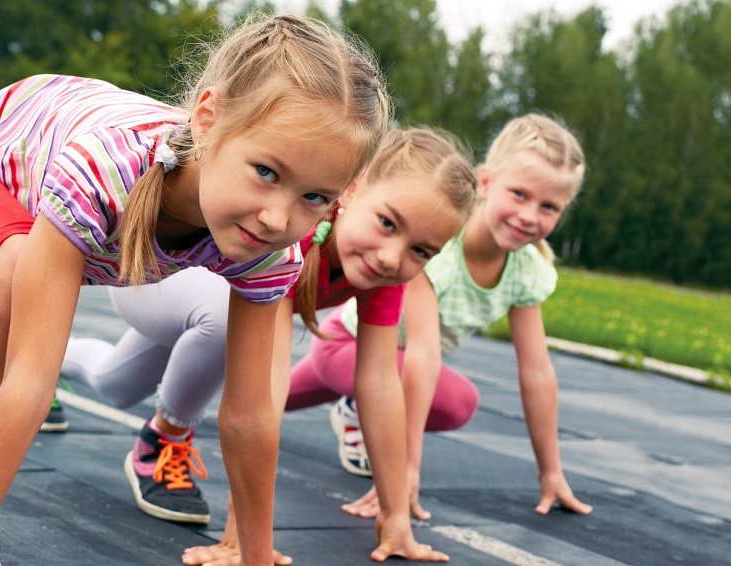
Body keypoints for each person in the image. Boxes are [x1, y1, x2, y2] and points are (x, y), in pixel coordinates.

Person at [0, 14, 391, 565]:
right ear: (207, 120)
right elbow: (29, 381)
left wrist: (254, 556)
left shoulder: (273, 249)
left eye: (314, 197)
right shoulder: (108, 170)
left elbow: (252, 414)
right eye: (266, 172)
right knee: (13, 274)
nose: (279, 217)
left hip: (16, 211)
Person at [63, 128, 478, 563]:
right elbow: (266, 388)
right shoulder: (291, 237)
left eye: (421, 251)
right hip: (148, 279)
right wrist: (242, 534)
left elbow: (379, 385)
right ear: (353, 192)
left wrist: (397, 518)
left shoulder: (385, 273)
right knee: (231, 327)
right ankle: (164, 437)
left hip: (198, 309)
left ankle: (60, 364)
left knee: (114, 384)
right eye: (388, 223)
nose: (394, 256)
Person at [286, 113, 594, 527]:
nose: (529, 215)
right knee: (447, 396)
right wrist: (403, 468)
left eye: (549, 207)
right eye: (519, 194)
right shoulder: (435, 246)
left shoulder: (527, 270)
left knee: (273, 396)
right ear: (485, 183)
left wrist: (551, 471)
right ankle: (356, 407)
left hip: (381, 363)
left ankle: (348, 406)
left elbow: (537, 371)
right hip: (348, 344)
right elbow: (423, 354)